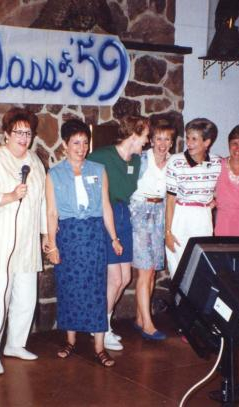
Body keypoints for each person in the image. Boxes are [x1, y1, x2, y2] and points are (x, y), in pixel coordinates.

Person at [0, 107, 47, 375]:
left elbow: (42, 201)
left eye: (28, 133)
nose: (24, 137)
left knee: (26, 297)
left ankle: (15, 344)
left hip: (27, 241)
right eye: (19, 132)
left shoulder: (36, 161)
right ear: (6, 134)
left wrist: (47, 235)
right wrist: (10, 196)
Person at [45, 119, 123, 368]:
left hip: (93, 236)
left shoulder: (98, 170)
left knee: (96, 290)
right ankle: (70, 341)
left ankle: (99, 347)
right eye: (75, 143)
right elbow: (51, 213)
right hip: (68, 236)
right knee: (68, 289)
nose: (81, 147)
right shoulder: (54, 173)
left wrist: (113, 238)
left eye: (85, 143)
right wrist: (53, 245)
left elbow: (106, 207)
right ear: (65, 145)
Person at [88, 115, 150, 351]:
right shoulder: (101, 156)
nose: (147, 141)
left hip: (124, 215)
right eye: (145, 136)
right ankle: (100, 326)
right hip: (106, 216)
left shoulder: (136, 160)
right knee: (114, 278)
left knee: (125, 278)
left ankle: (103, 324)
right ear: (134, 135)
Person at [129, 120, 175, 341]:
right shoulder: (141, 159)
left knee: (153, 271)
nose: (162, 143)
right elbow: (126, 185)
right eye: (158, 138)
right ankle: (148, 323)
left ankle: (140, 318)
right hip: (140, 212)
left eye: (167, 139)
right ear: (152, 140)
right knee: (145, 270)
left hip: (160, 212)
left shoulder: (174, 163)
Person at [165, 118, 222, 278]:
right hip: (180, 215)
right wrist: (168, 232)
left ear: (207, 142)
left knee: (200, 268)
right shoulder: (175, 161)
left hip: (203, 218)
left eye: (194, 139)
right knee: (178, 267)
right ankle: (178, 303)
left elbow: (224, 190)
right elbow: (170, 200)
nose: (189, 143)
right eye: (188, 137)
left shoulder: (218, 163)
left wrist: (214, 203)